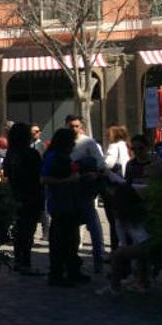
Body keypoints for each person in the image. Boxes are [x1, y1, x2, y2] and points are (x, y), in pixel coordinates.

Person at [97, 135, 162, 296]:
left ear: (147, 147)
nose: (138, 152)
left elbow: (158, 185)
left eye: (141, 148)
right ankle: (138, 278)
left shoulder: (156, 164)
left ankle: (139, 279)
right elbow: (127, 184)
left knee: (134, 246)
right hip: (134, 206)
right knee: (132, 243)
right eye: (134, 149)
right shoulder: (131, 164)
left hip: (150, 208)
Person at [41, 128, 91, 287]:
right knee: (60, 241)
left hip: (70, 203)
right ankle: (57, 274)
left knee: (72, 240)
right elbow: (45, 179)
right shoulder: (52, 156)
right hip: (59, 204)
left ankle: (72, 271)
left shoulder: (64, 156)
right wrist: (70, 179)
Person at [66, 115, 106, 273]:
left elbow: (100, 162)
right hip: (68, 188)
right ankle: (72, 261)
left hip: (84, 187)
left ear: (80, 126)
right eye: (71, 126)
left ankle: (98, 260)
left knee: (93, 225)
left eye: (76, 126)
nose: (74, 129)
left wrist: (93, 173)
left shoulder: (87, 142)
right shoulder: (62, 141)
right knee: (70, 227)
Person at [4, 123, 44, 275]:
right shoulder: (31, 154)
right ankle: (25, 262)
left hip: (16, 195)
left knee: (19, 230)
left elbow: (6, 173)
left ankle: (18, 261)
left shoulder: (10, 153)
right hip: (31, 195)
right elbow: (39, 174)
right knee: (28, 231)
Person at [103, 124, 130, 251]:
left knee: (114, 221)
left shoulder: (114, 146)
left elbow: (108, 164)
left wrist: (101, 165)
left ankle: (116, 250)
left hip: (115, 186)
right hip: (126, 184)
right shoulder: (127, 145)